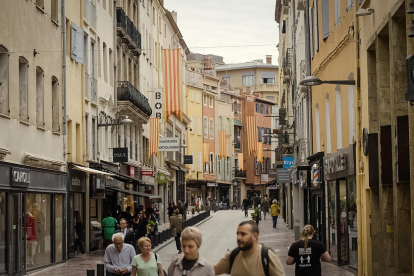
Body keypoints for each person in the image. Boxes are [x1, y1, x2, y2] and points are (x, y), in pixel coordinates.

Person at [214, 221, 285, 276]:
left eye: (243, 234)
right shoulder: (233, 255)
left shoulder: (267, 257)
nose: (238, 238)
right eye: (237, 234)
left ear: (255, 236)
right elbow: (212, 271)